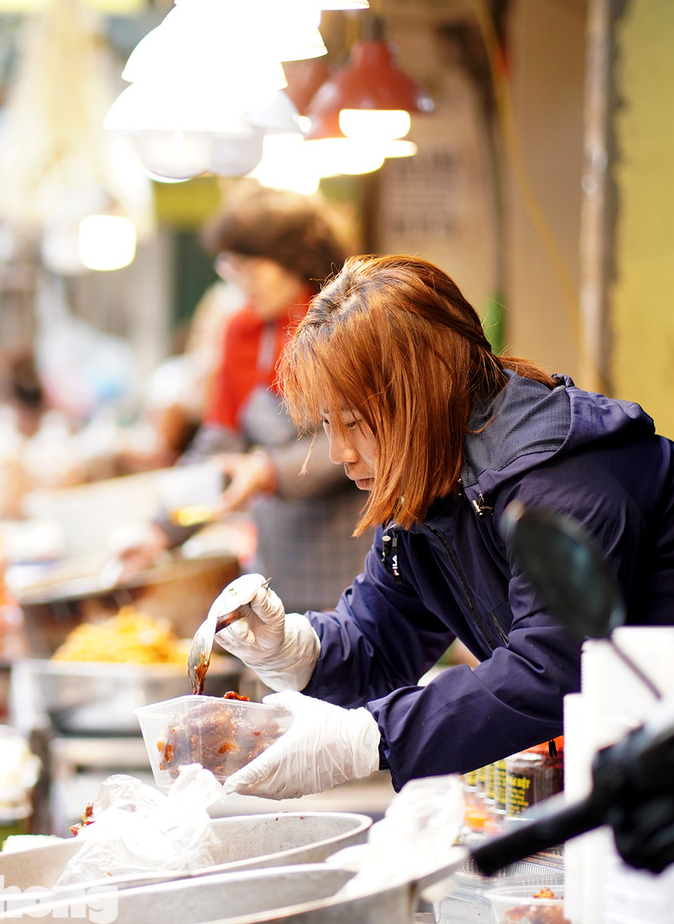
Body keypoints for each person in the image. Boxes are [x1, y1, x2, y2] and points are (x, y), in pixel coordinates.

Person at [207, 253, 674, 799]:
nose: (339, 453)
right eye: (328, 425)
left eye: (354, 423)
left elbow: (553, 669)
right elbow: (377, 641)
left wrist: (374, 735)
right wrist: (296, 648)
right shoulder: (430, 484)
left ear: (419, 399)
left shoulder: (561, 483)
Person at [114, 186, 370, 615]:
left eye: (250, 265)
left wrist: (268, 470)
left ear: (296, 258)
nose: (238, 279)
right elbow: (219, 445)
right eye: (233, 266)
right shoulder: (241, 331)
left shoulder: (347, 324)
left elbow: (366, 433)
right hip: (281, 559)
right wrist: (159, 529)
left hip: (355, 551)